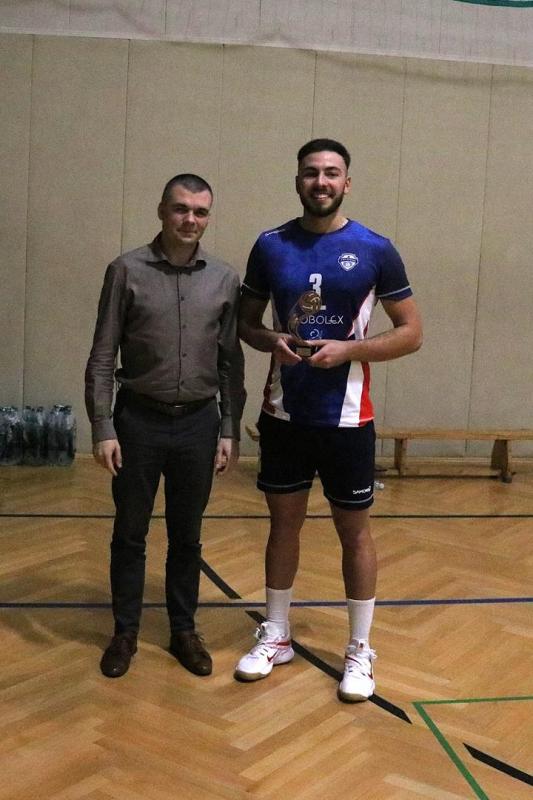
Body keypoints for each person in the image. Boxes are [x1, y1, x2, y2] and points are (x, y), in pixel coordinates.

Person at [235, 139, 422, 702]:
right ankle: (276, 634)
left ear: (346, 183)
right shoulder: (270, 245)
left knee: (354, 532)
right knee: (282, 526)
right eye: (311, 172)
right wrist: (271, 340)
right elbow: (246, 324)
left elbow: (411, 333)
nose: (321, 181)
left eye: (332, 173)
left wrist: (350, 350)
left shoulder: (375, 249)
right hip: (284, 414)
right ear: (297, 180)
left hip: (348, 419)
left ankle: (360, 649)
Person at [85, 173, 245, 679]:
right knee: (130, 533)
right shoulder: (125, 270)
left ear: (208, 217)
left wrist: (229, 427)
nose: (189, 219)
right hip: (137, 422)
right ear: (161, 210)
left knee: (187, 536)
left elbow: (230, 362)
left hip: (198, 424)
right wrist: (103, 426)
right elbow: (103, 355)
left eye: (200, 212)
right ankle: (124, 633)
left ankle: (183, 631)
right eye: (180, 209)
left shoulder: (225, 279)